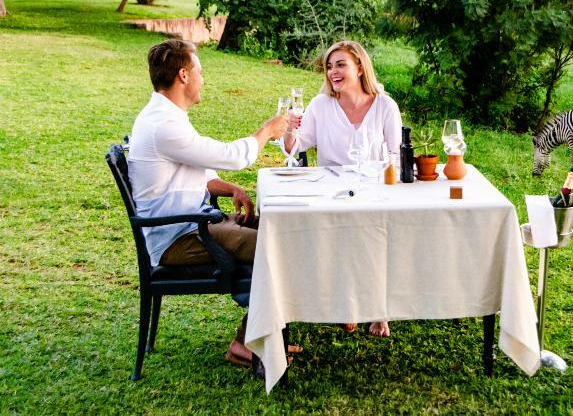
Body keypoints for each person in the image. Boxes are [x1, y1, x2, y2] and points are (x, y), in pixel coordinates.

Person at [128, 39, 291, 369]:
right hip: (179, 238)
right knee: (276, 247)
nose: (204, 79)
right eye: (201, 71)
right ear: (184, 75)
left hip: (193, 222)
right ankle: (248, 343)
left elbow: (190, 172)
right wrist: (267, 131)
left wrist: (228, 188)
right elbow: (232, 155)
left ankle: (267, 333)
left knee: (280, 229)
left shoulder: (166, 115)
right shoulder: (163, 124)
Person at [282, 40, 402, 337]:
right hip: (330, 192)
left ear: (360, 68)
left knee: (376, 235)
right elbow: (295, 147)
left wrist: (381, 180)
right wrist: (288, 128)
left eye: (341, 65)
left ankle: (379, 310)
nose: (333, 71)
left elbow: (397, 155)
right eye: (329, 66)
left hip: (374, 191)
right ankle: (345, 305)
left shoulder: (385, 105)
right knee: (338, 235)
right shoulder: (321, 105)